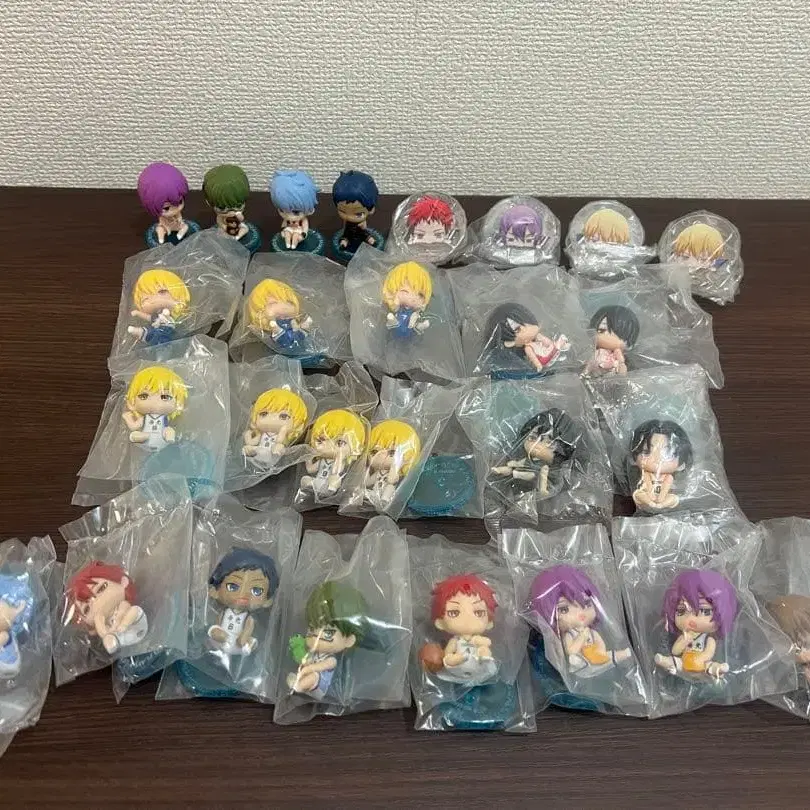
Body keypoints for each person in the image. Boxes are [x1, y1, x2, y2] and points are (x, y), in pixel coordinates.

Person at [529, 565, 631, 677]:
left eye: (587, 603)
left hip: (595, 659)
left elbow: (600, 643)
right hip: (579, 664)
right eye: (564, 609)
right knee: (575, 660)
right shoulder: (569, 635)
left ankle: (623, 654)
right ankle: (582, 664)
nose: (580, 613)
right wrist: (582, 637)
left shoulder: (592, 632)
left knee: (609, 656)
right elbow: (571, 650)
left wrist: (600, 652)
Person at [287, 581, 368, 699]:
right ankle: (299, 683)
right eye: (312, 629)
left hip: (320, 686)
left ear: (349, 640)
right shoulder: (314, 652)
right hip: (309, 683)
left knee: (314, 676)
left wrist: (307, 668)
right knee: (307, 675)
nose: (316, 637)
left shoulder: (332, 660)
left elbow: (318, 667)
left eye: (328, 633)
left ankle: (299, 686)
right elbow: (307, 660)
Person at [654, 569, 737, 679]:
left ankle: (718, 669)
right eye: (681, 611)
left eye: (705, 611)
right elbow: (675, 651)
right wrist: (683, 642)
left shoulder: (709, 638)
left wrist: (701, 659)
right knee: (675, 662)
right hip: (684, 662)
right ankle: (664, 661)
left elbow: (708, 653)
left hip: (702, 665)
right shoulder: (684, 635)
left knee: (710, 666)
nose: (691, 619)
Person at [64, 562, 148, 655]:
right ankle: (115, 638)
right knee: (108, 633)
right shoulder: (101, 622)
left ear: (122, 582)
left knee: (130, 608)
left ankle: (122, 627)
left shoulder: (124, 604)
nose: (96, 603)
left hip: (137, 624)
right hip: (120, 638)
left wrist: (120, 623)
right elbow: (100, 630)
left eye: (101, 588)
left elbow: (127, 607)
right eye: (86, 609)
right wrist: (104, 632)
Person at [207, 548, 278, 656]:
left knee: (249, 643)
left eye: (256, 591)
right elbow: (218, 623)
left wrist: (243, 638)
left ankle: (249, 645)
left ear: (267, 600)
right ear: (215, 591)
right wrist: (217, 632)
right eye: (233, 586)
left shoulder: (248, 618)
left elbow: (248, 629)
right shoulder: (224, 612)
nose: (243, 595)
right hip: (220, 644)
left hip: (238, 646)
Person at [122, 366, 187, 451]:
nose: (155, 402)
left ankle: (169, 436)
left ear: (179, 403)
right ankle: (141, 437)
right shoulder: (144, 419)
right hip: (145, 439)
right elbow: (134, 427)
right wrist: (128, 418)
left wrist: (168, 432)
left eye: (165, 397)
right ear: (132, 403)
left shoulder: (164, 419)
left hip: (162, 438)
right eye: (144, 396)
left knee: (169, 429)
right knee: (135, 434)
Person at [127, 269, 190, 346]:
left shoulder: (170, 317)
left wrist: (167, 314)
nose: (152, 300)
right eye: (144, 299)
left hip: (166, 333)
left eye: (162, 292)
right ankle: (138, 332)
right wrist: (138, 313)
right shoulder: (156, 317)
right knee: (149, 334)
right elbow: (149, 317)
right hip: (155, 333)